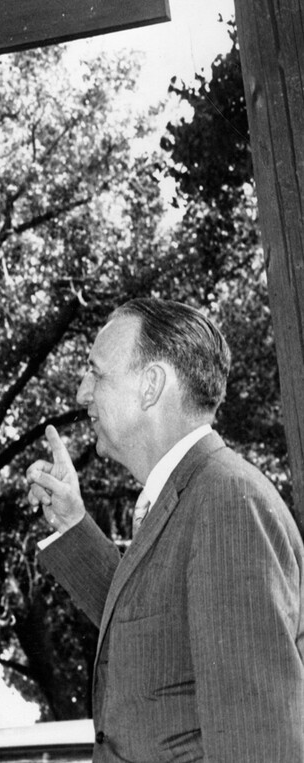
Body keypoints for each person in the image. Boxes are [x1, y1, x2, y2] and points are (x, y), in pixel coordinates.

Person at [26, 297, 304, 761]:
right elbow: (150, 642)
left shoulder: (227, 502)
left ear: (151, 385)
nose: (81, 392)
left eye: (96, 372)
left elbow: (260, 740)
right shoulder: (192, 497)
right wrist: (74, 524)